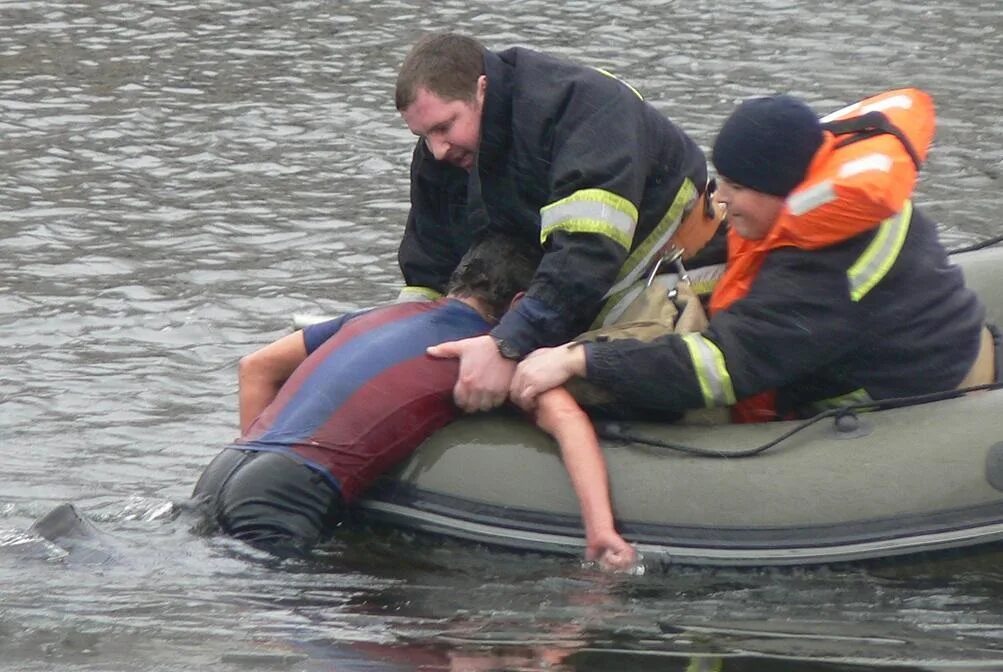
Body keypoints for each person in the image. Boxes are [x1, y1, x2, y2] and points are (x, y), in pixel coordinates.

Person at [510, 90, 995, 422]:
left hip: (921, 398)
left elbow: (719, 367)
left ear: (784, 191)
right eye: (722, 180)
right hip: (944, 341)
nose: (719, 199)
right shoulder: (815, 212)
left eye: (737, 187)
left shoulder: (823, 270)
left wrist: (583, 361)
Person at [194, 235, 636, 568]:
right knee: (278, 633)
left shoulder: (377, 317)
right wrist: (600, 531)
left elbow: (255, 366)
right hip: (285, 492)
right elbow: (568, 421)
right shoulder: (485, 355)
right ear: (520, 303)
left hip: (225, 469)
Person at [395, 32, 721, 414]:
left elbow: (585, 256)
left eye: (444, 128)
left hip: (660, 278)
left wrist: (507, 344)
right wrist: (407, 339)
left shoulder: (584, 110)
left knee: (557, 392)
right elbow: (428, 267)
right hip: (560, 293)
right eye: (423, 136)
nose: (436, 150)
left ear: (482, 90)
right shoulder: (445, 155)